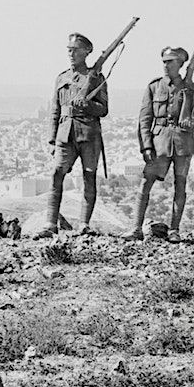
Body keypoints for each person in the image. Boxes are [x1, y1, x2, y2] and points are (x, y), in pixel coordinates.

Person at [122, 47, 194, 242]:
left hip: (183, 144)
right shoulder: (154, 87)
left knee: (180, 185)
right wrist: (146, 146)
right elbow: (144, 119)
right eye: (164, 61)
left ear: (180, 64)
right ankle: (136, 228)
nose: (166, 65)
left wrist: (193, 123)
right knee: (145, 182)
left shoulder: (189, 88)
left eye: (171, 62)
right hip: (159, 143)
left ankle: (174, 230)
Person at [38, 33, 108, 237]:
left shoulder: (96, 78)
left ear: (87, 52)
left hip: (88, 133)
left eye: (76, 49)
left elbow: (103, 109)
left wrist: (87, 105)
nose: (71, 53)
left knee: (89, 176)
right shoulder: (62, 78)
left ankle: (84, 224)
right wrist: (52, 139)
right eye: (69, 49)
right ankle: (50, 224)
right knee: (56, 173)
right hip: (65, 133)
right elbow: (54, 110)